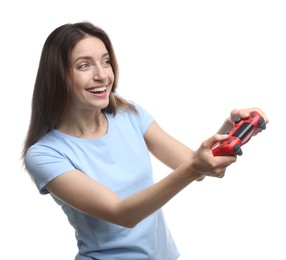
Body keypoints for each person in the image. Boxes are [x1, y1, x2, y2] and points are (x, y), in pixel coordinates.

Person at [22, 22, 268, 260]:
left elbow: (199, 167)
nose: (102, 75)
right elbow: (122, 214)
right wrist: (195, 167)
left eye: (106, 62)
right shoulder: (45, 154)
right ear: (58, 76)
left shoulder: (129, 115)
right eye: (84, 65)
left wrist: (230, 130)